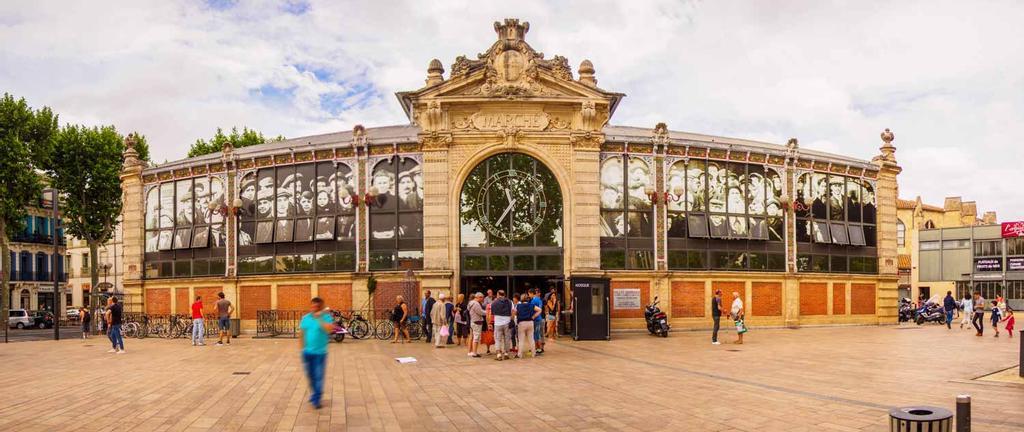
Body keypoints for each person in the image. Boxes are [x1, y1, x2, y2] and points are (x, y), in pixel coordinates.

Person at [298, 297, 334, 410]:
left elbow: (329, 330)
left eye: (317, 307)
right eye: (313, 306)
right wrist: (301, 349)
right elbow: (301, 334)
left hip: (320, 353)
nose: (314, 308)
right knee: (311, 376)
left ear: (321, 307)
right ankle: (314, 394)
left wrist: (320, 319)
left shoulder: (326, 317)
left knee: (318, 376)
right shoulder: (306, 318)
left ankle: (317, 399)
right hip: (307, 353)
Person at [515, 293, 542, 358]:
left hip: (522, 323)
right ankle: (533, 353)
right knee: (531, 339)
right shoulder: (531, 305)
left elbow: (515, 312)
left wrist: (517, 315)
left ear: (521, 299)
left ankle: (520, 354)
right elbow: (539, 310)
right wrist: (533, 316)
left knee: (521, 339)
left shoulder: (518, 306)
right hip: (530, 322)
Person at [490, 290, 513, 361]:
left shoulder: (494, 302)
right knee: (507, 338)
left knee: (497, 339)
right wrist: (511, 320)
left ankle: (499, 354)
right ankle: (506, 353)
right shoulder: (510, 301)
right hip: (507, 322)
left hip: (498, 323)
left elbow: (492, 313)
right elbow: (513, 311)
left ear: (498, 294)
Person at [467, 292, 486, 358]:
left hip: (473, 321)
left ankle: (471, 351)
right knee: (476, 337)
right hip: (476, 321)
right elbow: (480, 312)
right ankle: (474, 353)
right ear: (478, 297)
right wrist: (488, 312)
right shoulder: (476, 304)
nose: (482, 299)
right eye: (482, 297)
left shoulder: (470, 303)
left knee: (473, 337)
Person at [530, 289, 545, 355]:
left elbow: (531, 310)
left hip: (535, 319)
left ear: (531, 293)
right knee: (538, 334)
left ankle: (537, 349)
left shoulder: (533, 300)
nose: (529, 295)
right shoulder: (539, 300)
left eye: (529, 294)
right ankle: (539, 348)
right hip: (539, 318)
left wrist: (532, 317)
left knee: (536, 335)